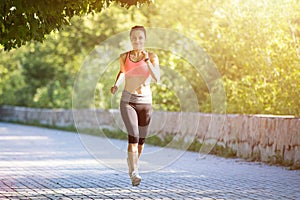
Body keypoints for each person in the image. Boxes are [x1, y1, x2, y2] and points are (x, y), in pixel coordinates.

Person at [110, 26, 160, 186]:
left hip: (145, 102)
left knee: (141, 142)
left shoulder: (152, 56)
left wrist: (147, 61)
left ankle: (133, 164)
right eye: (134, 38)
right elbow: (122, 72)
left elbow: (156, 77)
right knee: (134, 137)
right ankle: (134, 173)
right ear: (130, 39)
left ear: (144, 40)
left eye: (140, 38)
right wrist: (116, 85)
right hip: (128, 101)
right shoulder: (124, 56)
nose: (137, 41)